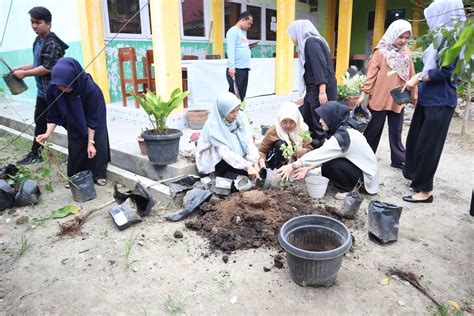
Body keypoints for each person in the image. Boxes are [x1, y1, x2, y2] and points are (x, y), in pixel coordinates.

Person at [401, 0, 465, 203]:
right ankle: (415, 177)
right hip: (428, 100)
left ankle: (424, 191)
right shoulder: (439, 38)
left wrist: (418, 78)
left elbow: (445, 72)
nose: (430, 22)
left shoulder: (451, 38)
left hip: (440, 101)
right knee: (415, 142)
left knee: (429, 146)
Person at [278, 101, 379, 199]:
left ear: (332, 117)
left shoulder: (343, 137)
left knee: (332, 162)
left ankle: (348, 190)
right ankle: (343, 183)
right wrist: (307, 168)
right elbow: (325, 152)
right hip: (360, 171)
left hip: (366, 179)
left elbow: (320, 154)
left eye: (323, 118)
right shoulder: (343, 130)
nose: (320, 121)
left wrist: (292, 165)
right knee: (328, 160)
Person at [36, 58, 110, 186]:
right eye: (60, 86)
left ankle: (98, 174)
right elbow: (53, 114)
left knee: (97, 143)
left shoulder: (91, 90)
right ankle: (75, 177)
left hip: (94, 117)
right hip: (73, 118)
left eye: (66, 86)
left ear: (74, 79)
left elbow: (93, 119)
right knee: (75, 144)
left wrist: (90, 142)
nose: (63, 89)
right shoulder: (54, 89)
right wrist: (47, 133)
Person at [357, 20, 417, 170]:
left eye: (406, 37)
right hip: (379, 97)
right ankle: (365, 157)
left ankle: (398, 159)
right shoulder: (380, 52)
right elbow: (371, 75)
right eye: (400, 37)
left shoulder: (407, 52)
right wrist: (363, 94)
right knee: (373, 131)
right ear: (393, 35)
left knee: (396, 132)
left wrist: (414, 95)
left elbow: (412, 74)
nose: (403, 40)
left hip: (399, 97)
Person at [13, 6, 69, 165]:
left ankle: (87, 146)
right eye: (32, 22)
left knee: (68, 123)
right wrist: (21, 68)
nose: (34, 26)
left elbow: (48, 67)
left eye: (38, 22)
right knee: (40, 122)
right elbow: (38, 63)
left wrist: (24, 74)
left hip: (56, 92)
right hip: (43, 93)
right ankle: (35, 154)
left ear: (48, 23)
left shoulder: (52, 43)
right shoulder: (39, 40)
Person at [287, 20, 337, 149]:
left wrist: (321, 91)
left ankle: (321, 153)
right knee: (308, 119)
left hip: (319, 88)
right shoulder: (310, 42)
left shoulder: (311, 42)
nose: (292, 40)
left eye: (292, 36)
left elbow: (319, 68)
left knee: (319, 123)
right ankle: (312, 149)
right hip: (314, 89)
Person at [195, 92, 259, 178]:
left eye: (237, 110)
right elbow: (224, 152)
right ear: (223, 110)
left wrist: (255, 162)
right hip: (217, 158)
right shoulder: (214, 125)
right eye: (232, 111)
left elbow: (247, 139)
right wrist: (246, 165)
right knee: (239, 176)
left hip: (233, 154)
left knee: (241, 137)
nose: (235, 114)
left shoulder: (240, 116)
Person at [258, 102, 312, 170]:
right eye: (284, 122)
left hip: (296, 163)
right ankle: (280, 170)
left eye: (292, 122)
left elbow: (309, 147)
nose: (288, 125)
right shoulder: (275, 130)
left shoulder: (302, 128)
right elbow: (262, 150)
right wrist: (262, 166)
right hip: (276, 162)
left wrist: (305, 150)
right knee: (281, 144)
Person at [225, 11, 256, 102]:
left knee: (241, 95)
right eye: (248, 23)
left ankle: (239, 114)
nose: (249, 26)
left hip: (244, 68)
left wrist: (249, 47)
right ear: (243, 20)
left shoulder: (241, 33)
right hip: (237, 69)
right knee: (234, 96)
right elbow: (230, 49)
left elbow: (240, 47)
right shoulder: (233, 31)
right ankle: (231, 114)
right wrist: (231, 67)